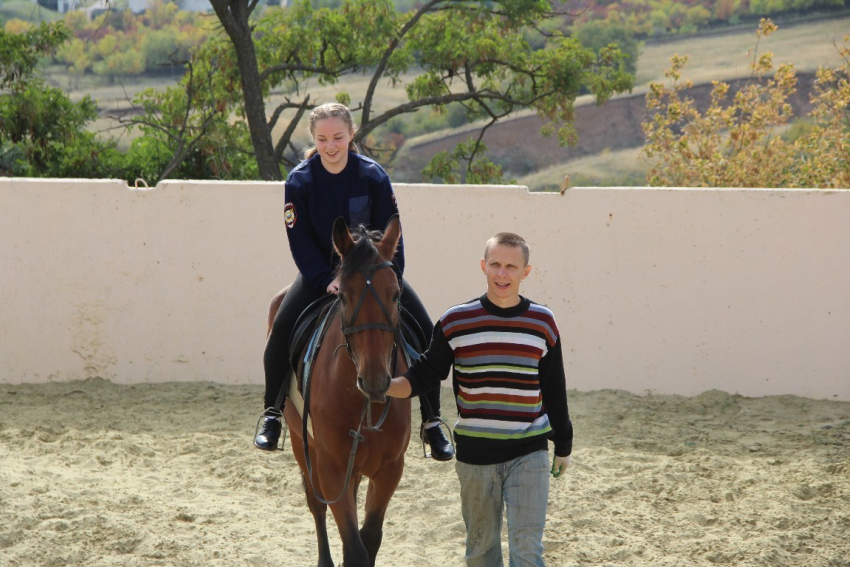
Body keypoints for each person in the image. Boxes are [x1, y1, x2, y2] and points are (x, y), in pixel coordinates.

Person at [254, 102, 453, 461]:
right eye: (323, 138)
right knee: (281, 330)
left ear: (351, 135)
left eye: (338, 137)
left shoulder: (373, 176)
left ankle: (432, 420)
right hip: (322, 276)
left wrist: (390, 277)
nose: (331, 145)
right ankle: (271, 414)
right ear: (314, 139)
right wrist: (322, 279)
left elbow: (394, 236)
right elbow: (298, 240)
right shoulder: (299, 181)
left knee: (425, 331)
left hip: (374, 275)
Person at [386, 232, 573, 567]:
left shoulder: (543, 322)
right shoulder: (455, 321)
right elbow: (427, 374)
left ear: (525, 272)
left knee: (527, 548)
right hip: (475, 457)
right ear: (483, 266)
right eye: (496, 264)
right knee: (481, 550)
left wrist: (564, 444)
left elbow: (554, 387)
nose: (502, 274)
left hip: (529, 453)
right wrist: (384, 386)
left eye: (511, 266)